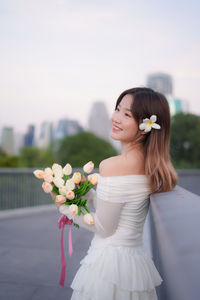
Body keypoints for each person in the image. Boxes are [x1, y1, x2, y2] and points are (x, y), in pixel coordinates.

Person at [54, 87, 178, 300]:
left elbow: (104, 227)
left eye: (127, 114)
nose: (116, 117)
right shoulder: (152, 167)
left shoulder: (113, 165)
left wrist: (65, 207)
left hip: (109, 267)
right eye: (117, 109)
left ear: (145, 126)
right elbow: (122, 202)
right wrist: (89, 194)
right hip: (134, 264)